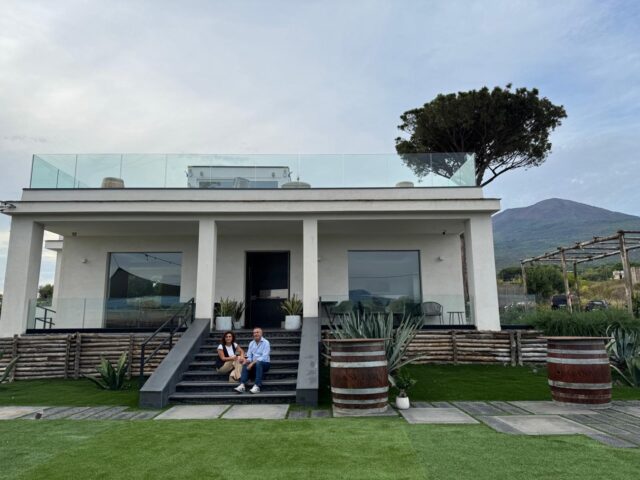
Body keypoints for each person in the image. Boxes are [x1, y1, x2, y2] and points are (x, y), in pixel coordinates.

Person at [234, 327, 270, 394]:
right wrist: (246, 361)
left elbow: (264, 357)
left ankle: (257, 386)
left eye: (257, 332)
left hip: (265, 364)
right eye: (254, 333)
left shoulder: (266, 343)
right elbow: (249, 357)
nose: (255, 334)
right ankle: (242, 385)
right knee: (245, 363)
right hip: (254, 365)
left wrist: (252, 363)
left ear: (261, 333)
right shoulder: (251, 343)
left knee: (259, 363)